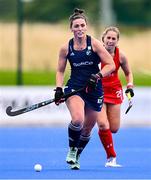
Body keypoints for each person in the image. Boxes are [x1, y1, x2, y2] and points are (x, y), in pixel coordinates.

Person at [54, 8, 115, 170]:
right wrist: (59, 89)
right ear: (71, 28)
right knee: (78, 120)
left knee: (87, 129)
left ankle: (77, 156)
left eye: (82, 25)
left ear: (86, 26)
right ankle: (72, 149)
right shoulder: (66, 48)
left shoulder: (94, 44)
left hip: (94, 90)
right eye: (76, 26)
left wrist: (98, 76)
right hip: (75, 88)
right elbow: (60, 70)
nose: (79, 29)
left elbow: (111, 65)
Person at [97, 26, 134, 167]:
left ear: (117, 41)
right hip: (98, 91)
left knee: (114, 128)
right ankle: (111, 157)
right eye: (108, 38)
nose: (111, 41)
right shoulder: (96, 54)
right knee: (102, 124)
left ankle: (109, 151)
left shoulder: (121, 56)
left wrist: (130, 85)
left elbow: (128, 73)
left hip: (114, 91)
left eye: (114, 38)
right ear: (103, 39)